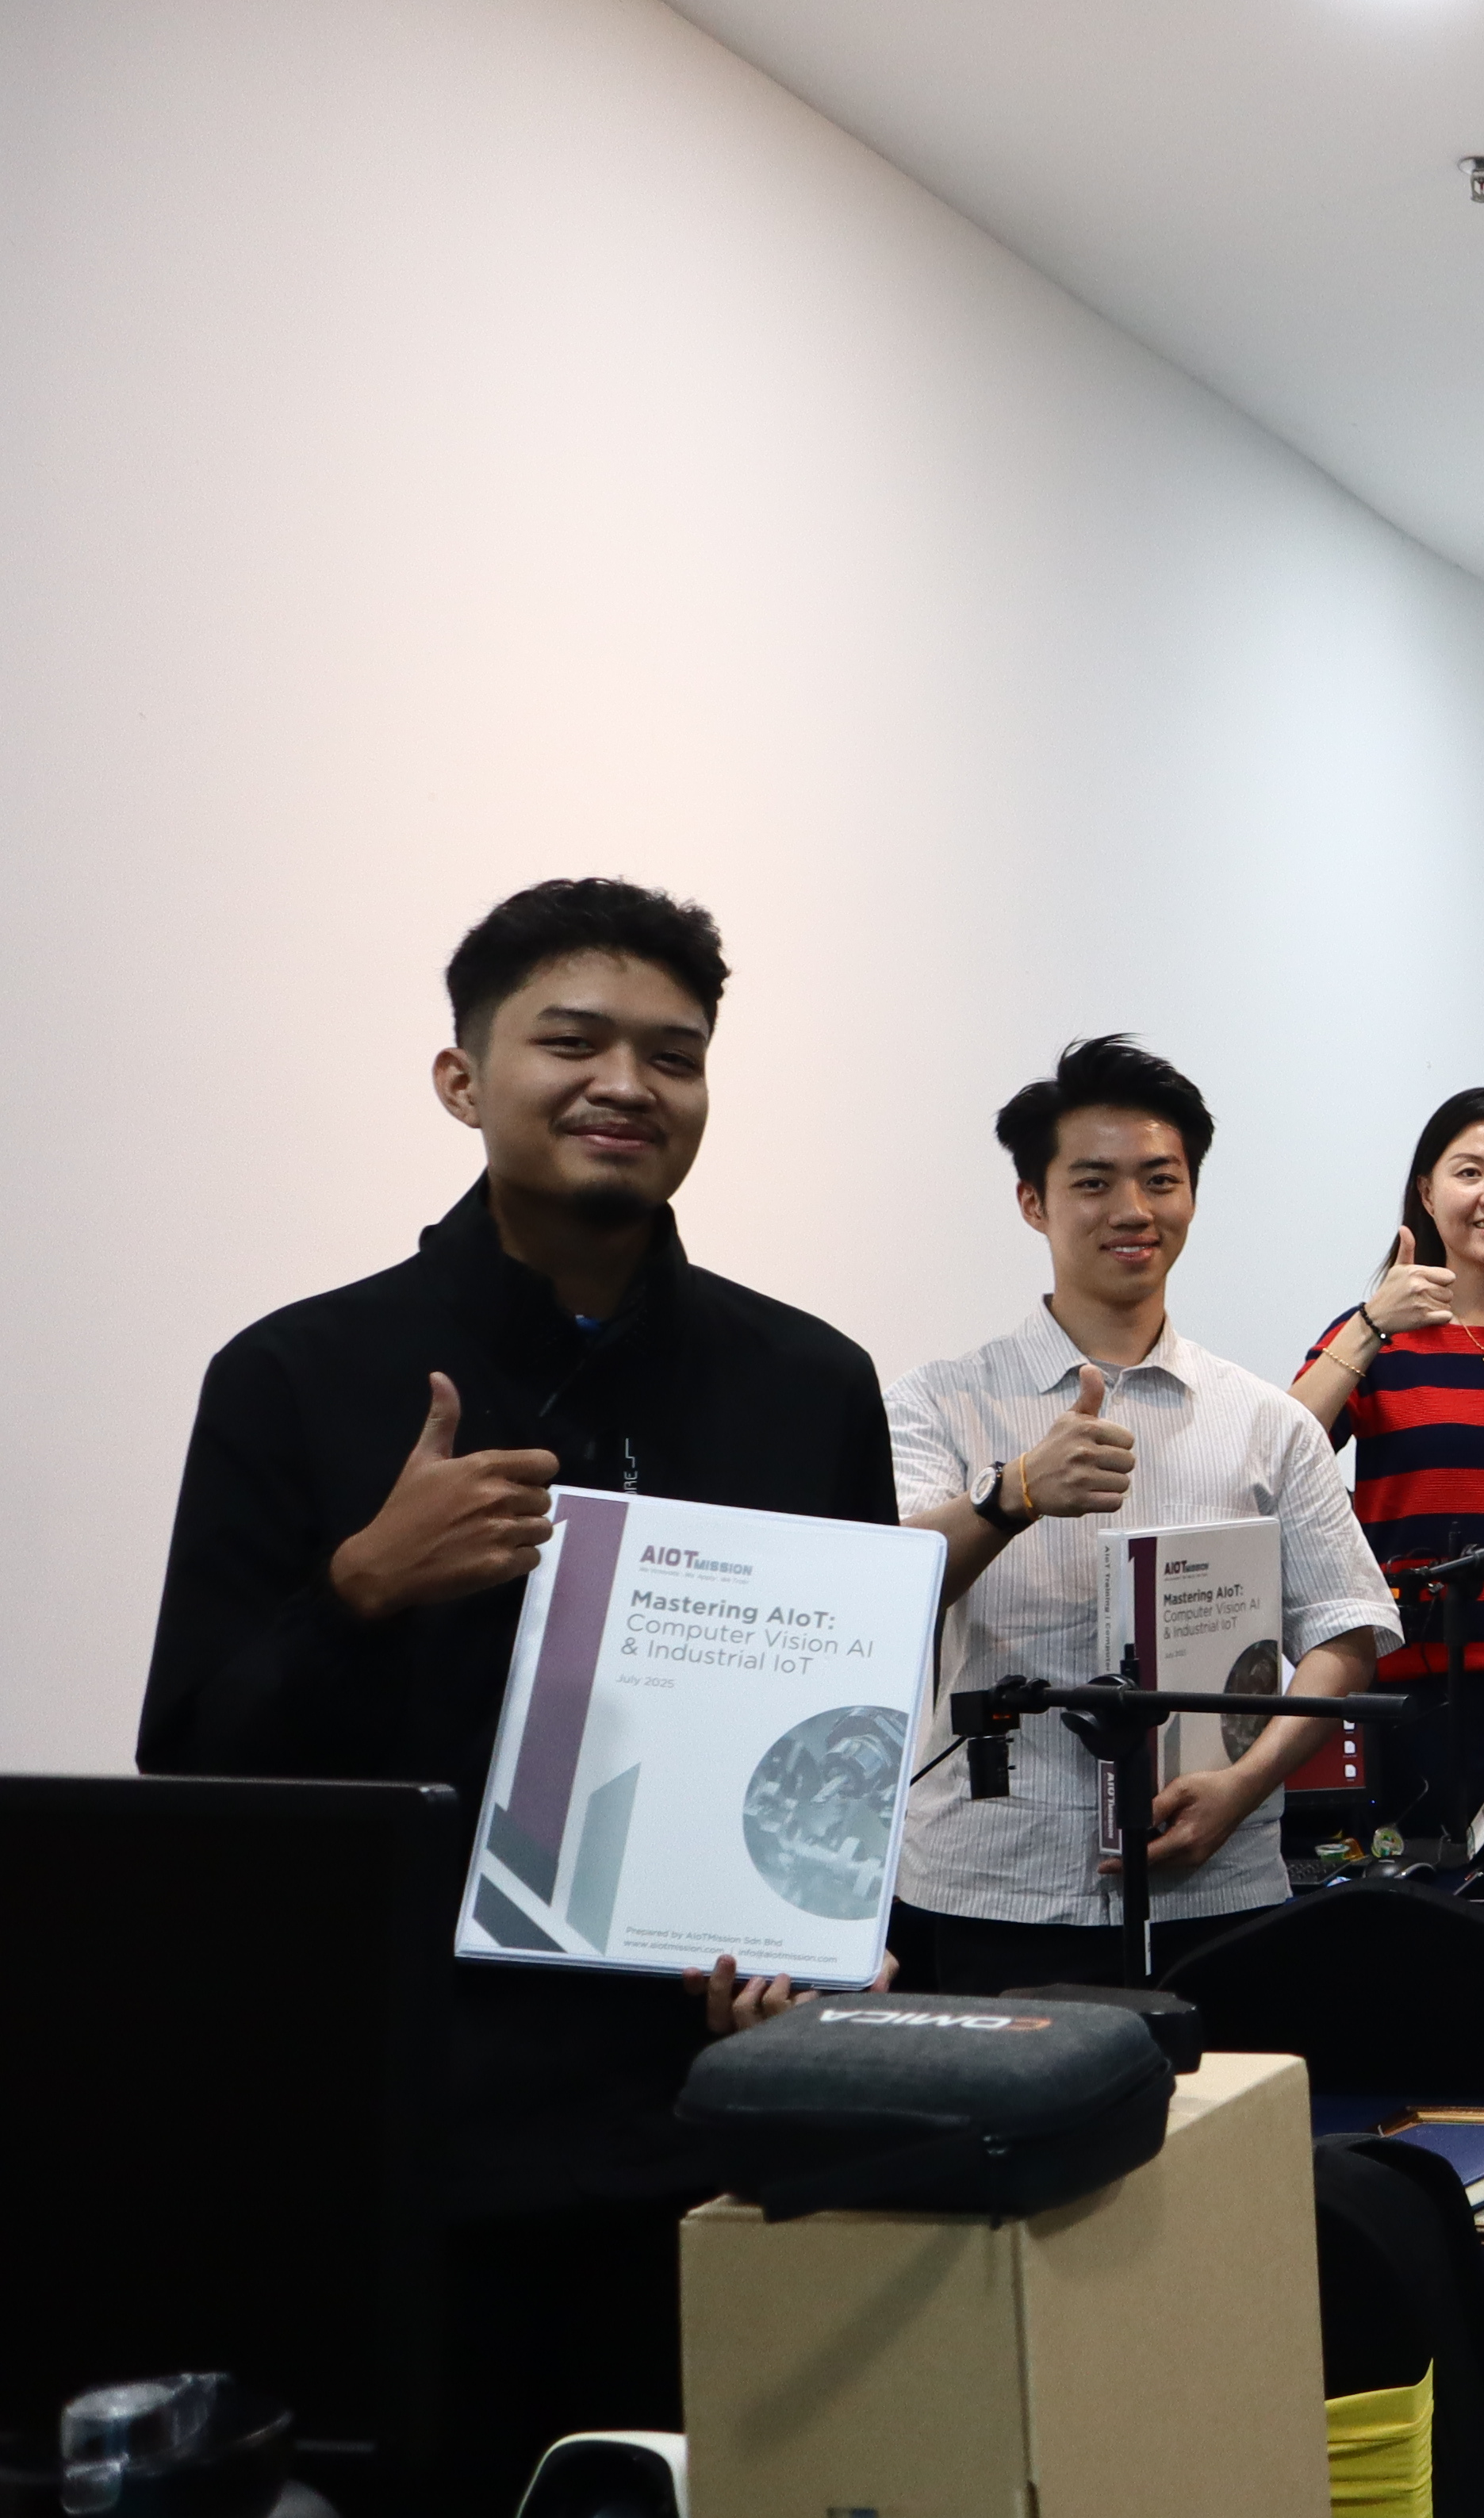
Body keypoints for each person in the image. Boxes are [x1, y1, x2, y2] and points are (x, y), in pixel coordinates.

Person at [142, 879, 892, 2509]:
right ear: (462, 1079)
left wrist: (817, 1932)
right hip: (415, 2158)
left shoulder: (808, 1384)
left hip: (713, 2144)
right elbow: (192, 1775)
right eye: (574, 1039)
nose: (629, 1081)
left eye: (676, 1053)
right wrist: (361, 1588)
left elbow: (840, 1752)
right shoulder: (297, 1375)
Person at [885, 1037, 1394, 1994]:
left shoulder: (1267, 1421)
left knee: (1217, 2140)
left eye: (1160, 1179)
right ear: (1034, 1201)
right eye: (1093, 1182)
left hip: (1218, 1888)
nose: (1132, 1210)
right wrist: (1013, 1493)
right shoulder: (940, 1401)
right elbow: (884, 1593)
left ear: (1191, 1194)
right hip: (994, 1885)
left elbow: (1346, 1636)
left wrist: (1243, 1788)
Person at [1288, 1087, 1484, 1838]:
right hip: (1412, 1690)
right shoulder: (1374, 1340)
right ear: (1427, 1193)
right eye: (1469, 1172)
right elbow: (1275, 1457)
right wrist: (1367, 1328)